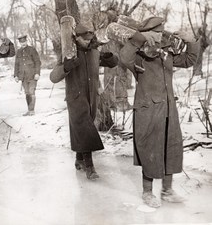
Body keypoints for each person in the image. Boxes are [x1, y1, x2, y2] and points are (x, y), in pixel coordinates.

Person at [119, 17, 200, 207]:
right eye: (155, 32)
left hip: (168, 109)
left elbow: (189, 60)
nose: (160, 35)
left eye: (161, 32)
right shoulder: (138, 55)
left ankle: (167, 190)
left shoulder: (165, 53)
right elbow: (124, 57)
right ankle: (148, 193)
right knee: (149, 149)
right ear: (147, 33)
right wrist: (139, 38)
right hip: (148, 110)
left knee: (170, 147)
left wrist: (191, 41)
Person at [50, 22, 118, 180]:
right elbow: (53, 77)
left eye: (90, 38)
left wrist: (110, 57)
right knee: (86, 128)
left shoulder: (94, 51)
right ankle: (90, 167)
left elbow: (113, 63)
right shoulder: (69, 52)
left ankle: (79, 159)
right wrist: (66, 67)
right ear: (76, 37)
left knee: (83, 127)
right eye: (84, 39)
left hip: (92, 96)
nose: (87, 41)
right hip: (76, 97)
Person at [14, 34, 41, 116]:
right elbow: (16, 64)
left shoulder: (32, 50)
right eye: (21, 42)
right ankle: (29, 110)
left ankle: (32, 110)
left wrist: (37, 73)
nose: (23, 43)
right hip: (23, 76)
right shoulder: (18, 52)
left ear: (26, 41)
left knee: (31, 92)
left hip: (32, 75)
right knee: (27, 93)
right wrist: (16, 75)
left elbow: (37, 62)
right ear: (19, 43)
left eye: (24, 41)